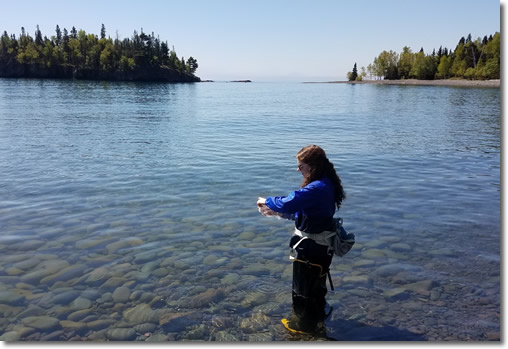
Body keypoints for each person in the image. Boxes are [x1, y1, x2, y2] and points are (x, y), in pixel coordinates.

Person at [257, 144, 346, 334]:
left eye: (301, 166)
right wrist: (275, 212)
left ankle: (302, 327)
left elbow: (289, 202)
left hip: (311, 248)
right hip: (321, 247)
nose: (299, 169)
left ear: (313, 166)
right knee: (316, 285)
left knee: (302, 290)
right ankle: (318, 317)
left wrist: (267, 201)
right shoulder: (326, 183)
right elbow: (305, 213)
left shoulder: (316, 188)